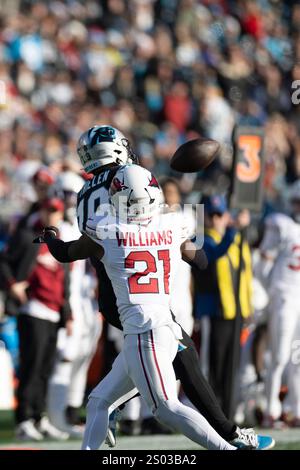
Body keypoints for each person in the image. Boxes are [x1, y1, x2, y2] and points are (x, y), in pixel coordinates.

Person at [36, 124, 274, 450]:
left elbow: (74, 249)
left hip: (114, 289)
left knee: (132, 378)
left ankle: (116, 408)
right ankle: (229, 436)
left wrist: (52, 238)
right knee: (180, 365)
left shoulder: (89, 198)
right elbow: (198, 255)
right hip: (145, 300)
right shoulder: (154, 205)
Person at [0, 197, 70, 441]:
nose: (51, 215)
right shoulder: (26, 236)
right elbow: (4, 263)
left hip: (53, 312)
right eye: (48, 210)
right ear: (41, 212)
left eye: (56, 212)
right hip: (33, 309)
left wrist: (67, 313)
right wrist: (13, 286)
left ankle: (39, 417)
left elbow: (65, 281)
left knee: (44, 369)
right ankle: (24, 420)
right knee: (31, 367)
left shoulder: (60, 243)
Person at [47, 171, 102, 436]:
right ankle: (55, 416)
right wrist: (66, 308)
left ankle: (71, 410)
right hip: (69, 301)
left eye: (74, 195)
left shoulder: (85, 223)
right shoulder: (58, 225)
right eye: (67, 194)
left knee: (84, 355)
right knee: (66, 356)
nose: (71, 200)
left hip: (87, 300)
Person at [193, 195, 252, 417]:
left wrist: (247, 307)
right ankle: (212, 413)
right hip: (213, 312)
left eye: (220, 215)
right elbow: (215, 255)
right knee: (212, 366)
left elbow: (244, 274)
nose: (217, 219)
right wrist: (233, 230)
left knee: (230, 366)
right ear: (205, 218)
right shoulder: (201, 239)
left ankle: (227, 413)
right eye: (212, 215)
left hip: (233, 312)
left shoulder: (233, 239)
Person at [260, 181, 300, 428]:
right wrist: (271, 292)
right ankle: (270, 409)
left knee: (298, 357)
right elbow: (264, 261)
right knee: (279, 356)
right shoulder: (282, 226)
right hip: (284, 296)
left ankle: (296, 408)